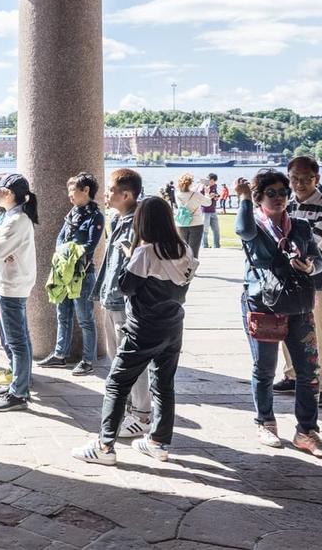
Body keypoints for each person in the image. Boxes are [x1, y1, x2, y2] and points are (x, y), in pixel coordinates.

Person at [72, 196, 197, 465]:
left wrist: (130, 256)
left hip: (143, 328)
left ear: (143, 222)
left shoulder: (145, 253)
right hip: (173, 325)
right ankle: (158, 442)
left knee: (117, 383)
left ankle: (105, 446)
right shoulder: (185, 250)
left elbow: (126, 286)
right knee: (163, 385)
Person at [234, 170, 322, 458]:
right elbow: (241, 229)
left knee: (309, 370)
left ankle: (306, 430)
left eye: (282, 192)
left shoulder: (300, 228)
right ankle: (264, 421)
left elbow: (319, 262)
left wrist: (310, 266)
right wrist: (242, 198)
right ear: (259, 198)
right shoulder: (255, 226)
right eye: (271, 193)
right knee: (265, 368)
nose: (278, 198)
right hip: (263, 304)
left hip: (299, 305)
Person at [276, 156, 322, 409]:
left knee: (313, 334)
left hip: (315, 280)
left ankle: (316, 385)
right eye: (294, 179)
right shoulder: (286, 205)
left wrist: (286, 248)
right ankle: (292, 376)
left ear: (317, 179)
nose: (299, 184)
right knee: (285, 330)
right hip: (287, 281)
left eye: (306, 179)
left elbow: (317, 241)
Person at [92, 168, 151, 436]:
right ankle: (127, 408)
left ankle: (141, 414)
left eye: (111, 190)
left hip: (123, 302)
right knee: (117, 359)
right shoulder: (118, 220)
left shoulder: (138, 223)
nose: (105, 194)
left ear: (126, 195)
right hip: (111, 296)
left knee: (130, 361)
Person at [38, 172, 103, 375]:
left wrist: (69, 252)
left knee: (85, 318)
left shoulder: (96, 216)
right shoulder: (72, 214)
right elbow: (59, 241)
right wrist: (64, 253)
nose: (70, 195)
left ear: (86, 190)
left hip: (82, 274)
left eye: (73, 190)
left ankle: (88, 360)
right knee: (62, 314)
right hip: (63, 272)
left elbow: (90, 245)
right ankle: (60, 354)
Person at [0, 174, 39, 413]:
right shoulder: (13, 218)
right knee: (20, 338)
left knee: (16, 340)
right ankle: (21, 382)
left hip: (11, 285)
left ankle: (18, 392)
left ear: (8, 193)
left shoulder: (16, 220)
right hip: (12, 283)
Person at [172, 173, 208, 260]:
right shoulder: (196, 195)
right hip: (196, 222)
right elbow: (208, 203)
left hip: (181, 223)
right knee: (193, 248)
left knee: (183, 248)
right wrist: (206, 193)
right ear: (191, 183)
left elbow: (187, 192)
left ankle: (182, 268)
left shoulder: (177, 194)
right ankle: (191, 269)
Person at [201, 173, 221, 249]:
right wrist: (208, 195)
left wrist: (216, 196)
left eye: (213, 181)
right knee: (205, 230)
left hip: (213, 210)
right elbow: (200, 197)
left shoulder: (215, 186)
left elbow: (216, 195)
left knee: (216, 230)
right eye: (210, 181)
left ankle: (217, 246)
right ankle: (205, 246)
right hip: (205, 210)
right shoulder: (203, 186)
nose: (211, 183)